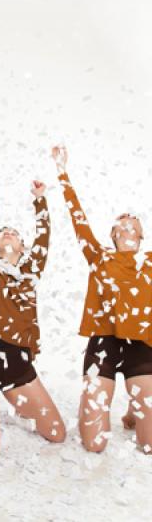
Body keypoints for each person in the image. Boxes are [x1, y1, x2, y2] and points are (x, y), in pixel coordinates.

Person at [0, 169, 66, 469]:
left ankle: (9, 397)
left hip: (17, 362)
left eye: (15, 233)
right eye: (1, 232)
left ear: (23, 247)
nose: (7, 233)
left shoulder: (30, 272)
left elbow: (44, 237)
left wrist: (40, 200)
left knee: (57, 434)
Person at [52, 145, 152, 454]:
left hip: (142, 347)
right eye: (120, 221)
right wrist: (62, 173)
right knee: (94, 444)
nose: (126, 220)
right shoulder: (99, 257)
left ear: (141, 233)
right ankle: (108, 409)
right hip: (103, 345)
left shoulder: (150, 261)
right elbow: (78, 220)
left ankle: (137, 412)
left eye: (133, 221)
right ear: (112, 233)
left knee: (149, 446)